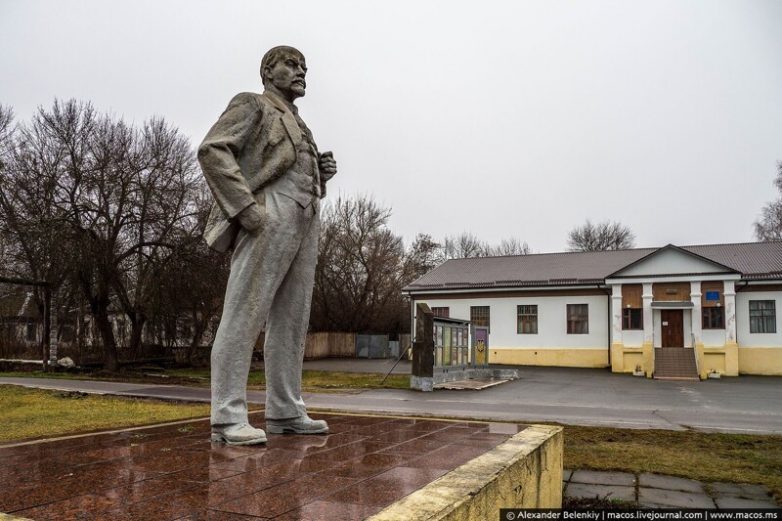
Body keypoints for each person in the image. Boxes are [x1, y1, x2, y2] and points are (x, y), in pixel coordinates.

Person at [198, 46, 337, 445]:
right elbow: (212, 149)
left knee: (292, 320)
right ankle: (227, 416)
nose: (300, 71)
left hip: (306, 217)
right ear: (267, 71)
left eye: (304, 66)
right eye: (291, 64)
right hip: (269, 211)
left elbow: (291, 165)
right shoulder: (252, 104)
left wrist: (322, 176)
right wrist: (245, 208)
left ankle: (286, 410)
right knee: (245, 311)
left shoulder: (300, 122)